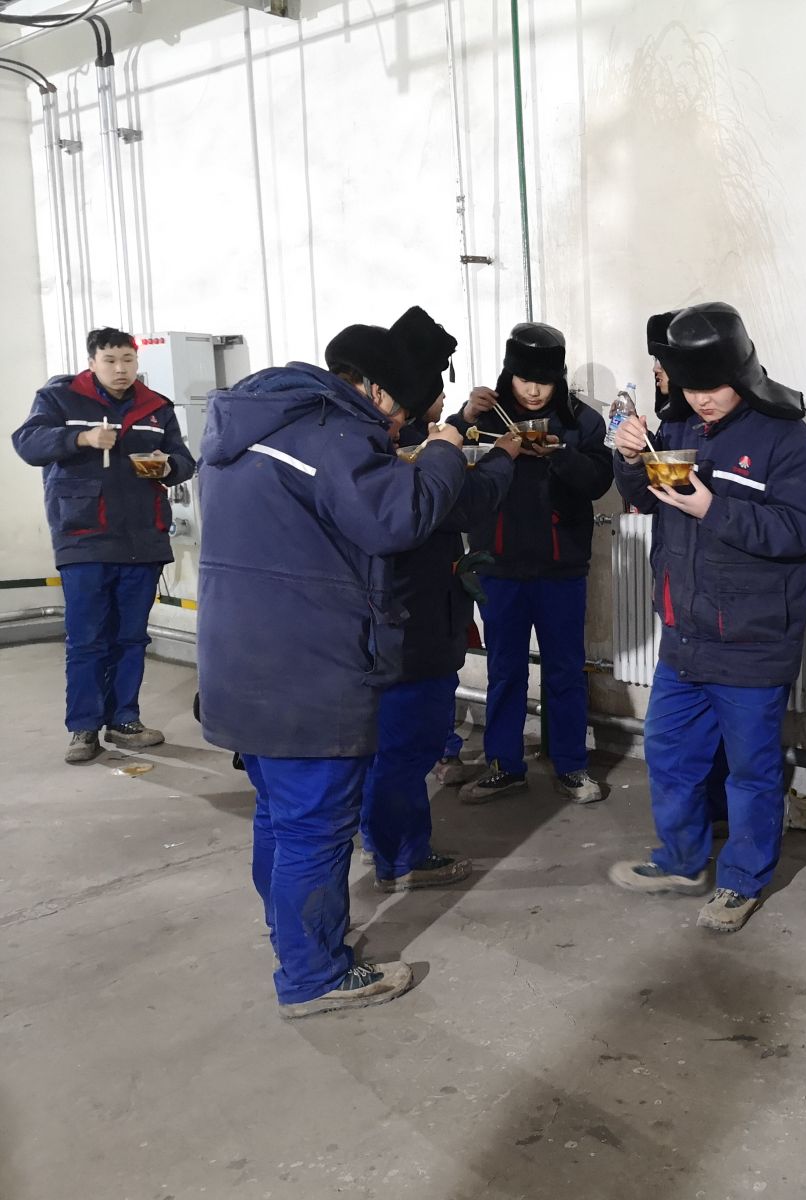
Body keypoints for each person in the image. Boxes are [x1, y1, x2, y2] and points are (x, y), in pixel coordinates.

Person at [196, 325, 467, 1018]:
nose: (398, 425)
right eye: (399, 410)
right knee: (314, 829)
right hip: (307, 669)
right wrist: (443, 452)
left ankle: (290, 938)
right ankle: (313, 974)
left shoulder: (255, 424)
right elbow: (397, 519)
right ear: (371, 389)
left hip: (242, 660)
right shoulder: (330, 436)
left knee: (279, 817)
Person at [607, 302, 806, 934]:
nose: (701, 399)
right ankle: (681, 860)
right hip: (685, 633)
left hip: (754, 640)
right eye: (690, 386)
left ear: (743, 373)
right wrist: (629, 458)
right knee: (669, 752)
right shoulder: (677, 423)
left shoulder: (787, 437)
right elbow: (641, 498)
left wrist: (713, 508)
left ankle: (742, 882)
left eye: (713, 387)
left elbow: (797, 531)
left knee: (752, 772)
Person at [356, 307, 520, 891]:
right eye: (434, 389)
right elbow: (464, 502)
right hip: (413, 622)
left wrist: (458, 428)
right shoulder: (395, 455)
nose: (440, 399)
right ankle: (400, 856)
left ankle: (382, 840)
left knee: (389, 748)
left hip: (397, 621)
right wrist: (502, 458)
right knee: (406, 747)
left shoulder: (369, 444)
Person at [11, 328, 196, 763]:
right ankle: (84, 728)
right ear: (92, 362)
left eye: (128, 360)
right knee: (87, 639)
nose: (120, 369)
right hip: (84, 537)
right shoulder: (60, 399)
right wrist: (81, 438)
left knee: (131, 638)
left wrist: (168, 466)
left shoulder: (156, 407)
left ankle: (124, 720)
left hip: (143, 537)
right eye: (110, 360)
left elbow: (184, 461)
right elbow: (28, 444)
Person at [451, 323, 614, 805]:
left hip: (561, 567)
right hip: (499, 565)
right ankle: (505, 765)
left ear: (558, 378)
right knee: (505, 670)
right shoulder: (486, 415)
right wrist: (464, 415)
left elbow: (598, 481)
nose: (535, 390)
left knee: (565, 670)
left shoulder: (581, 421)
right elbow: (442, 453)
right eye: (525, 379)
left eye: (544, 381)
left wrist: (560, 455)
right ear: (510, 374)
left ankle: (571, 764)